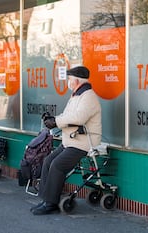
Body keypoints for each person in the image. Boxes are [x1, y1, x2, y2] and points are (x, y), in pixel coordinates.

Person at [30, 66, 102, 215]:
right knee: (48, 161)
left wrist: (56, 121)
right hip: (71, 141)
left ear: (76, 80)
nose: (68, 82)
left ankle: (51, 203)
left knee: (57, 165)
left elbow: (79, 118)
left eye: (69, 79)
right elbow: (67, 115)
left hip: (83, 142)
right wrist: (53, 120)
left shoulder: (88, 96)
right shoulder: (76, 95)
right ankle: (45, 198)